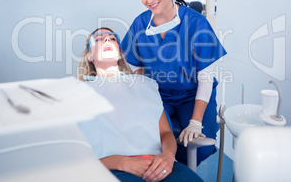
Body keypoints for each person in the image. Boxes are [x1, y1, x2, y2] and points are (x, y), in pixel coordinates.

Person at [121, 0, 227, 166]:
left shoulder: (196, 23)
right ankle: (166, 166)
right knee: (143, 138)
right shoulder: (140, 24)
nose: (149, 0)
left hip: (193, 95)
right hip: (159, 95)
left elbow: (205, 79)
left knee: (201, 147)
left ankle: (173, 166)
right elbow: (133, 66)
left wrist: (195, 121)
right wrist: (144, 92)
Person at [77, 27, 203, 182]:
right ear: (90, 56)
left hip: (161, 164)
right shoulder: (79, 93)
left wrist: (168, 156)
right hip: (113, 169)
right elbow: (74, 154)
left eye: (113, 38)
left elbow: (165, 133)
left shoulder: (145, 85)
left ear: (121, 53)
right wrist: (121, 162)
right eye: (98, 39)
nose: (107, 40)